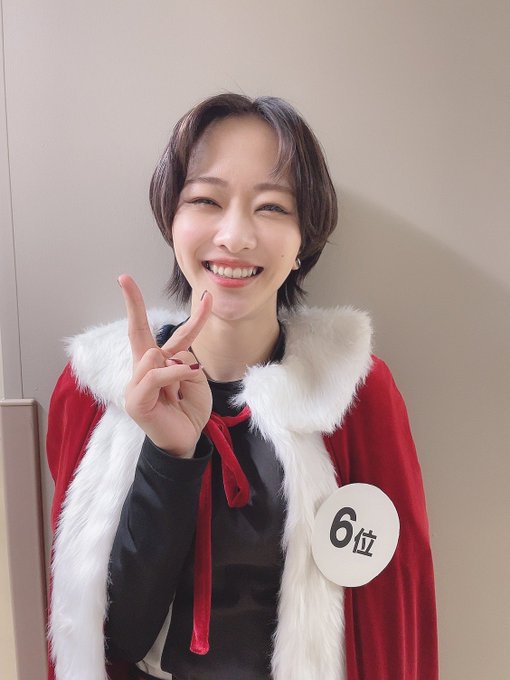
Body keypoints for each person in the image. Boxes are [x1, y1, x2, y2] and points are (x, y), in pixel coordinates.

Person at [47, 93, 438, 680]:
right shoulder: (96, 390)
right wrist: (169, 455)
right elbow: (109, 638)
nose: (235, 236)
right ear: (172, 220)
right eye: (206, 200)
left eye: (272, 207)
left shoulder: (354, 395)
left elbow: (393, 608)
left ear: (305, 237)